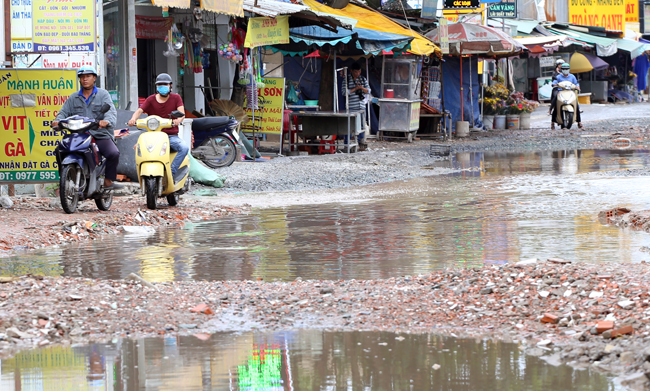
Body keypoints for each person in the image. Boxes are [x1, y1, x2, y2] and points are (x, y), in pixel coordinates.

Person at [53, 65, 123, 190]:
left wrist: (106, 121)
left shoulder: (103, 94)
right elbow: (63, 113)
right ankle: (64, 179)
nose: (85, 79)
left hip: (99, 134)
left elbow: (111, 112)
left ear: (94, 78)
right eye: (82, 77)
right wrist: (57, 121)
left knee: (113, 153)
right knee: (59, 150)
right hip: (78, 135)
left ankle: (108, 181)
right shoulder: (73, 98)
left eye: (88, 76)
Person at [128, 73, 189, 181]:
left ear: (170, 86)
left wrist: (178, 120)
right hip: (152, 136)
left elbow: (182, 113)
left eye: (165, 84)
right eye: (160, 84)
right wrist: (133, 119)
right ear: (156, 87)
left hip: (171, 136)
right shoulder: (151, 99)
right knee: (138, 148)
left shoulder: (176, 98)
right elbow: (139, 111)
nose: (162, 87)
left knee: (184, 148)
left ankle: (170, 172)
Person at [343, 62, 369, 151]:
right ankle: (347, 143)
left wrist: (361, 88)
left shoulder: (363, 79)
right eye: (355, 72)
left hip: (361, 106)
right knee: (349, 125)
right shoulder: (346, 80)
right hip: (351, 106)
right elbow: (344, 92)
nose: (357, 74)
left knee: (361, 125)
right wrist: (355, 89)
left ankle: (361, 143)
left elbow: (368, 90)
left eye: (358, 72)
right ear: (351, 71)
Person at [550, 62, 583, 130]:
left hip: (570, 92)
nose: (565, 70)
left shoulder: (572, 76)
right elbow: (554, 82)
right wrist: (555, 84)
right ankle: (552, 122)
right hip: (561, 92)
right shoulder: (558, 76)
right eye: (564, 69)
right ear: (561, 69)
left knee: (576, 104)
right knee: (556, 105)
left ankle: (579, 122)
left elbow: (576, 83)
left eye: (567, 69)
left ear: (569, 69)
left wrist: (577, 86)